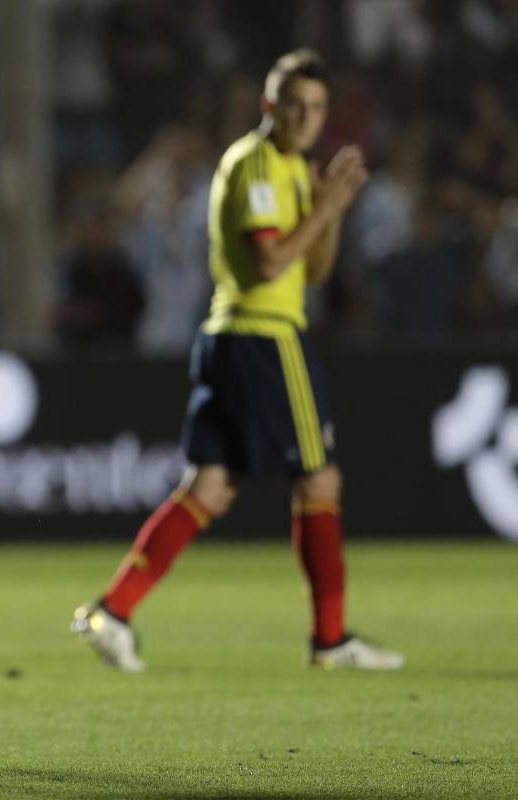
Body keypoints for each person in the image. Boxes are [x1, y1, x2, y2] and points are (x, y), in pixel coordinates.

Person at [71, 50, 404, 672]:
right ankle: (329, 640)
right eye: (294, 106)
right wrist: (325, 210)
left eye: (316, 108)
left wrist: (327, 210)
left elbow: (314, 269)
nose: (305, 118)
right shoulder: (253, 166)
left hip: (233, 339)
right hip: (263, 336)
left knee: (211, 488)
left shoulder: (296, 167)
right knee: (320, 480)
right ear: (270, 106)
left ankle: (111, 612)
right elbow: (273, 265)